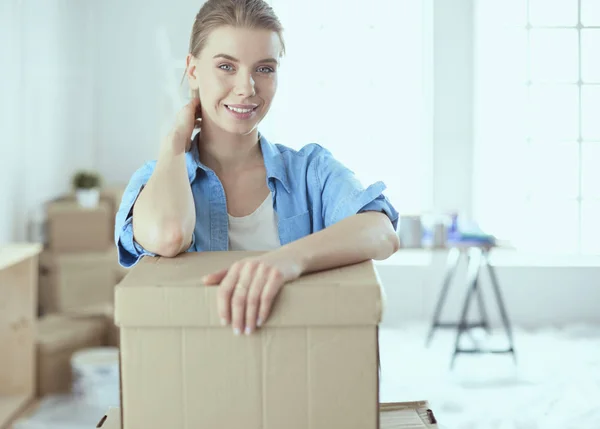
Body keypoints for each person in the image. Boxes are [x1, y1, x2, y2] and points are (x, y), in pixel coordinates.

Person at [115, 0, 399, 336]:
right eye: (226, 66)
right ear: (192, 70)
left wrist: (288, 260)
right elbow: (169, 235)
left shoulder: (309, 171)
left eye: (264, 69)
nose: (246, 88)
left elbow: (382, 232)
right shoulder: (160, 178)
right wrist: (175, 140)